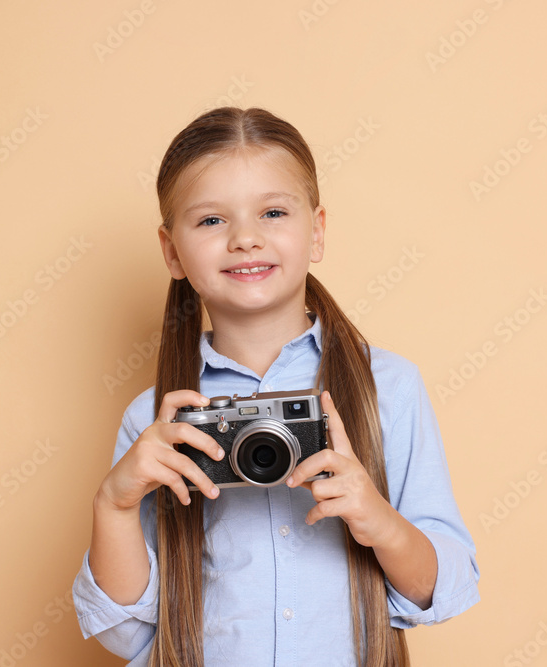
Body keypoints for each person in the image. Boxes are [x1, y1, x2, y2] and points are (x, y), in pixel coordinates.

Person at [73, 106, 479, 666]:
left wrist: (376, 518)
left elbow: (443, 588)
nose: (245, 238)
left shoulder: (387, 387)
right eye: (211, 220)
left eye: (272, 212)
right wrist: (113, 506)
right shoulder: (157, 420)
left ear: (316, 232)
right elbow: (124, 633)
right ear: (172, 251)